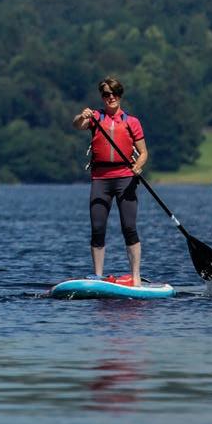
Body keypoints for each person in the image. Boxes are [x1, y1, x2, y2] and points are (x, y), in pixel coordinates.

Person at [73, 76, 148, 286]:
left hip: (125, 179)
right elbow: (77, 125)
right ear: (102, 96)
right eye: (106, 94)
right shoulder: (96, 117)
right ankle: (98, 275)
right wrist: (81, 115)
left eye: (115, 93)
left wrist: (138, 165)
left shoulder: (131, 122)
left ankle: (135, 277)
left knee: (129, 227)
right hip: (101, 180)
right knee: (97, 228)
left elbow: (143, 153)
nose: (111, 97)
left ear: (120, 95)